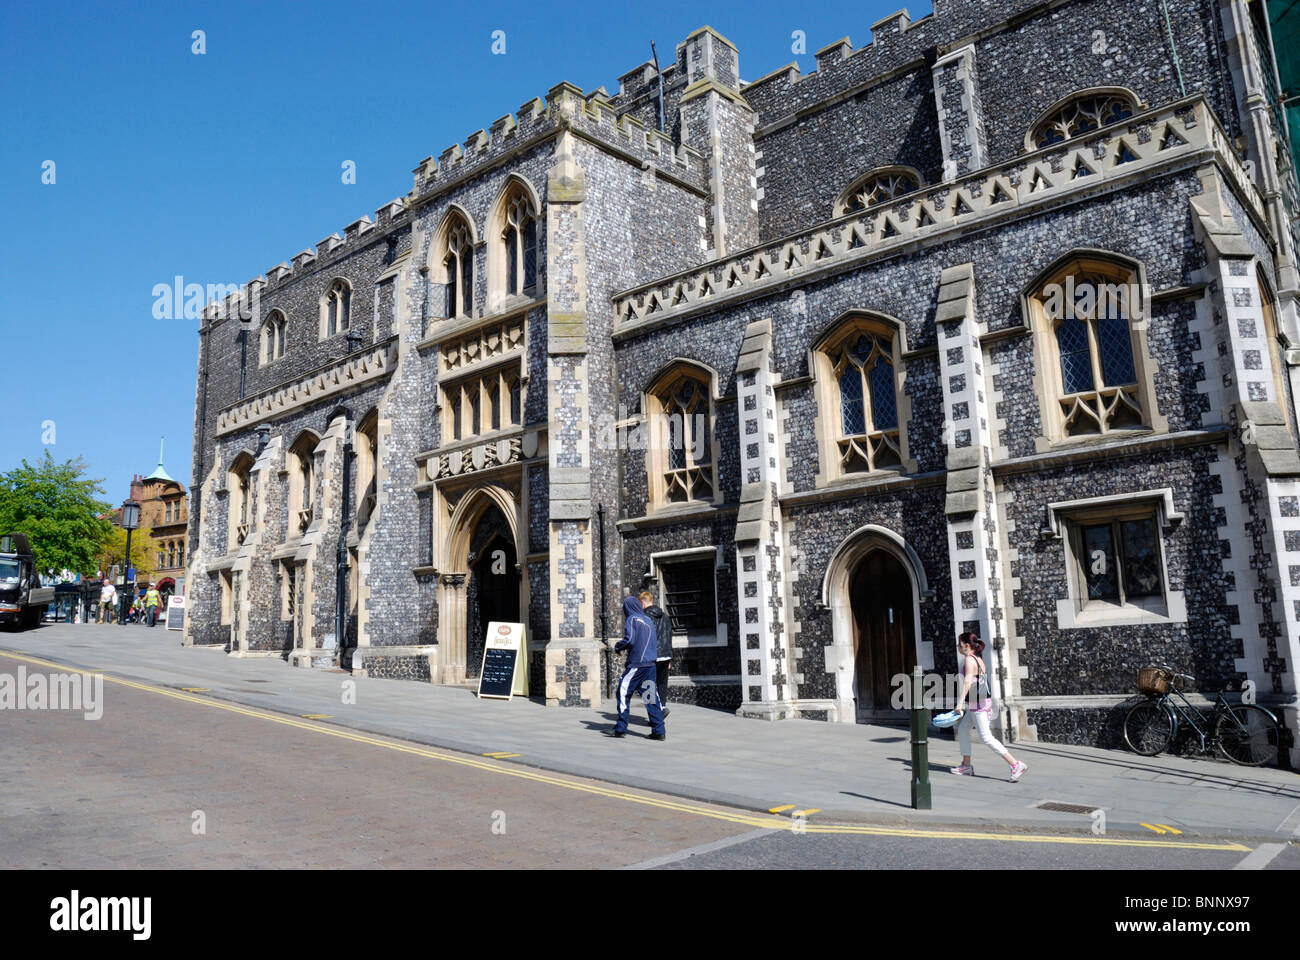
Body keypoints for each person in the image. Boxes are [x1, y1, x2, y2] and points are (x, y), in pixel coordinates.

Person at [951, 631, 1027, 781]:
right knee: (963, 729)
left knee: (986, 737)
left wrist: (959, 703)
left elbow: (967, 682)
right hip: (978, 703)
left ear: (966, 646)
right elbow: (982, 683)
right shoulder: (979, 659)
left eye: (959, 645)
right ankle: (966, 766)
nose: (958, 647)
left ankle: (1015, 764)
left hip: (978, 705)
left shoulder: (969, 660)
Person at [605, 595, 666, 740]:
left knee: (623, 691)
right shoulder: (648, 620)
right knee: (651, 698)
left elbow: (630, 639)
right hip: (650, 664)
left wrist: (618, 647)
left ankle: (620, 728)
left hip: (637, 664)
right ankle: (659, 731)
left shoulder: (632, 619)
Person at [639, 589, 672, 718]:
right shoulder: (665, 616)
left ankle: (653, 715)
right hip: (665, 654)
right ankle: (662, 707)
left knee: (647, 685)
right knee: (661, 683)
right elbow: (668, 636)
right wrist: (670, 658)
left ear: (642, 602)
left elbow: (644, 638)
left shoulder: (644, 617)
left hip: (651, 656)